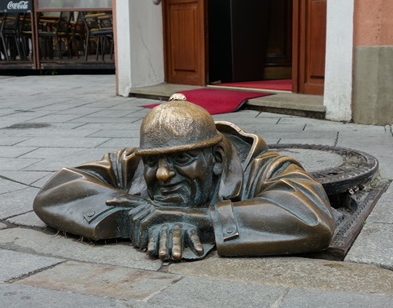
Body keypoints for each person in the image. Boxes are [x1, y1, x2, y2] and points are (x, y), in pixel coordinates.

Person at [33, 95, 335, 261]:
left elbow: (310, 217)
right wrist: (133, 214)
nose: (162, 173)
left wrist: (198, 220)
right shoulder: (134, 163)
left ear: (216, 159)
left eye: (181, 159)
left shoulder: (262, 166)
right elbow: (56, 190)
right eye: (153, 161)